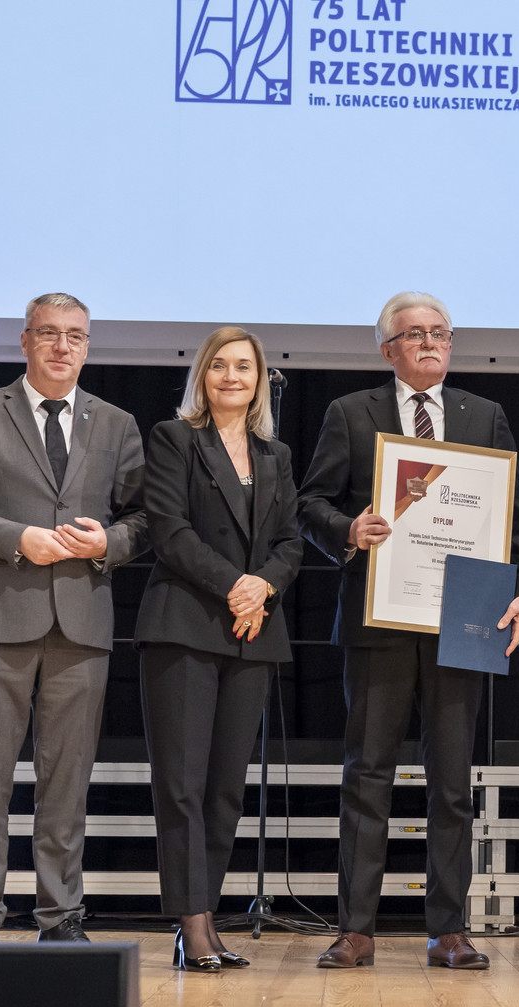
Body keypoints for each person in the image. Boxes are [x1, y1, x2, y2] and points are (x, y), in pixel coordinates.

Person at [299, 292, 519, 969]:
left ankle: (449, 930)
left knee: (452, 782)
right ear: (389, 350)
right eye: (414, 334)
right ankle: (356, 929)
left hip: (464, 617)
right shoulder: (350, 413)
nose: (430, 343)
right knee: (367, 775)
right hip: (380, 617)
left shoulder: (484, 415)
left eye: (439, 332)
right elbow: (310, 502)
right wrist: (347, 529)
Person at [0, 292, 148, 943]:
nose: (61, 346)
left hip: (82, 625)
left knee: (66, 783)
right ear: (25, 341)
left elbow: (146, 518)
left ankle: (60, 916)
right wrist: (18, 538)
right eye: (48, 333)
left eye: (74, 335)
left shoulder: (117, 424)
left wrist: (108, 543)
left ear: (87, 346)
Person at [135, 327, 303, 970]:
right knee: (182, 785)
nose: (232, 377)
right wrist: (237, 584)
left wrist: (264, 585)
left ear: (259, 381)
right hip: (183, 626)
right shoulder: (174, 438)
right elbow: (169, 530)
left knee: (226, 789)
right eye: (220, 366)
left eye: (244, 367)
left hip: (252, 633)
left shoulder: (276, 454)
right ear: (201, 376)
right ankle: (193, 924)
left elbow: (290, 541)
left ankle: (204, 917)